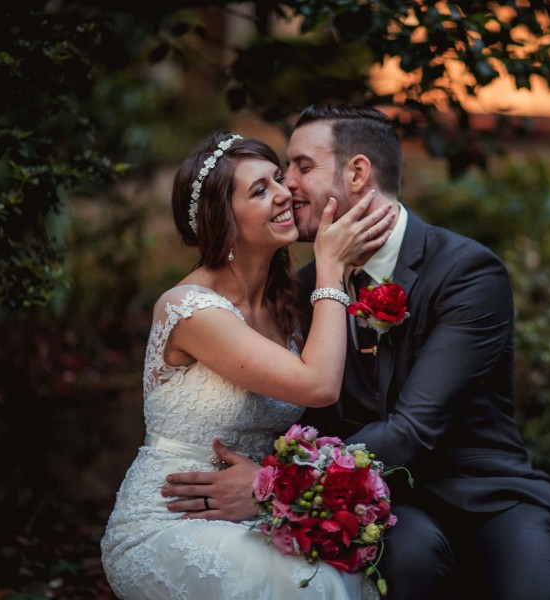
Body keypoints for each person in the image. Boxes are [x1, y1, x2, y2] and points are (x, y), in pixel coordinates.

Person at [162, 106, 550, 599]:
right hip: (380, 506)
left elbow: (414, 428)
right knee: (405, 559)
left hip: (486, 496)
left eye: (302, 167)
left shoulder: (467, 273)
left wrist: (275, 481)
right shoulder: (308, 288)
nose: (288, 185)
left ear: (357, 173)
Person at [100, 132, 396, 600]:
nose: (285, 193)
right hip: (170, 521)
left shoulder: (286, 308)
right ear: (224, 221)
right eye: (260, 190)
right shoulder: (192, 309)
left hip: (253, 511)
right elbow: (318, 385)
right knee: (311, 587)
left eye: (279, 178)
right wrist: (331, 266)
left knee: (354, 572)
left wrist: (269, 487)